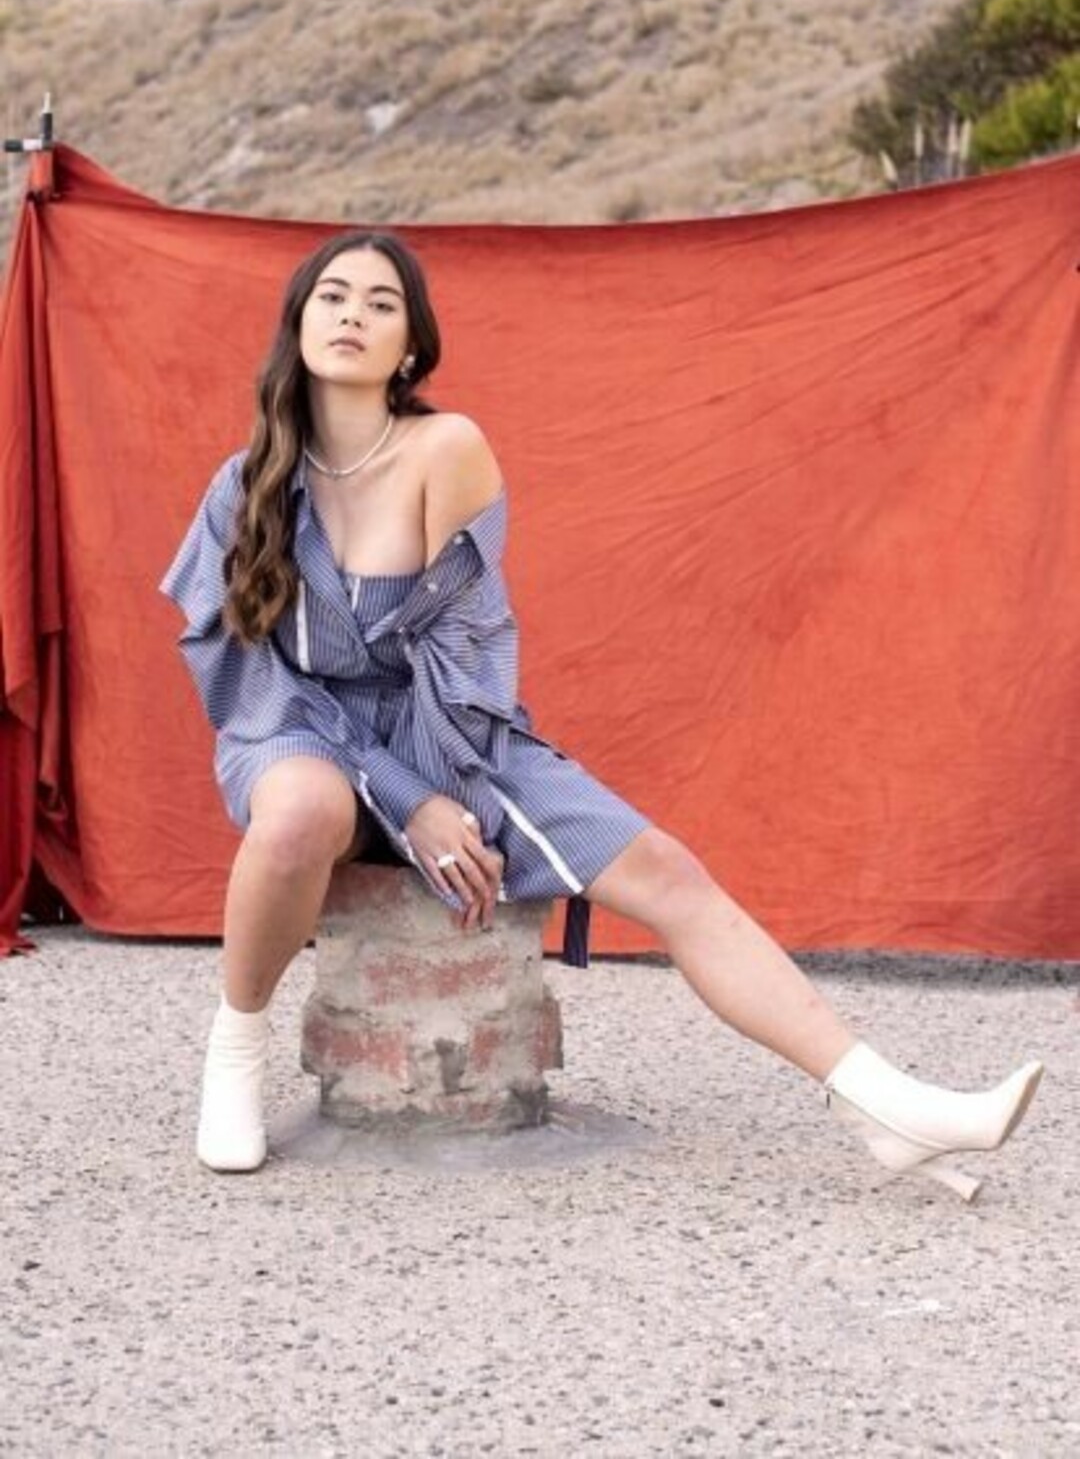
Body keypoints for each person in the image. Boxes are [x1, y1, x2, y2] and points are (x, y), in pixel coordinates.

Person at [159, 230, 1044, 1197]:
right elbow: (255, 683)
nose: (352, 316)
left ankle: (886, 1106)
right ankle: (235, 1051)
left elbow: (461, 662)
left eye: (381, 303)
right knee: (299, 811)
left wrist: (438, 790)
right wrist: (407, 802)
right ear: (298, 323)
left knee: (670, 871)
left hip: (444, 729)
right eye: (333, 296)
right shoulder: (244, 485)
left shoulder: (444, 451)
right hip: (299, 734)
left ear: (410, 347)